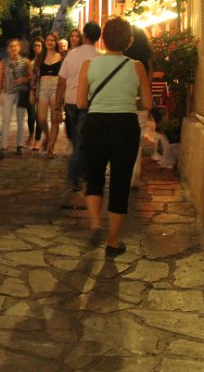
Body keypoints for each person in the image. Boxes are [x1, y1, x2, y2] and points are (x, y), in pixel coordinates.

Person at [77, 16, 152, 257]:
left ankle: (96, 223)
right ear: (128, 40)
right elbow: (147, 103)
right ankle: (112, 241)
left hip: (96, 123)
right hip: (125, 126)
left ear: (104, 38)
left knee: (94, 177)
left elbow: (80, 102)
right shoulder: (136, 66)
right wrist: (128, 98)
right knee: (120, 183)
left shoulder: (89, 65)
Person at [54, 22, 101, 190]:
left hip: (71, 102)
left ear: (84, 36)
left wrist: (57, 106)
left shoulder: (72, 55)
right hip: (89, 103)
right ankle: (77, 174)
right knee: (81, 141)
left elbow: (61, 82)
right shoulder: (99, 56)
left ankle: (77, 174)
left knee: (77, 140)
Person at [123, 26, 155, 188]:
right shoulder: (146, 59)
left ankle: (123, 173)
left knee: (123, 140)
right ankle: (134, 177)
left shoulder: (123, 59)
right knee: (137, 141)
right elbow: (148, 81)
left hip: (125, 101)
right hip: (140, 102)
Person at [0, 39, 32, 158]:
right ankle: (3, 146)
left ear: (19, 48)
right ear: (8, 49)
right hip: (8, 93)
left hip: (21, 93)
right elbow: (0, 80)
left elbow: (31, 77)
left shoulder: (25, 62)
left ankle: (19, 145)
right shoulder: (4, 62)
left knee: (20, 120)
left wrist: (24, 79)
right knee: (6, 120)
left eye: (15, 46)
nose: (13, 49)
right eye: (11, 47)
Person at [33, 32, 64, 158]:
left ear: (56, 42)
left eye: (52, 40)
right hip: (43, 87)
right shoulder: (41, 57)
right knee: (41, 118)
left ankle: (51, 147)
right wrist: (33, 92)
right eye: (48, 39)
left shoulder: (61, 57)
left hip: (55, 87)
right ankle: (47, 135)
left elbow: (64, 76)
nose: (50, 42)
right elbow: (36, 77)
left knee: (54, 119)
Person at [25, 37, 44, 151]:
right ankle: (31, 133)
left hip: (42, 89)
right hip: (31, 89)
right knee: (31, 115)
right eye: (35, 45)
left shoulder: (45, 59)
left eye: (39, 45)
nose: (37, 48)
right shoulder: (29, 59)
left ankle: (37, 140)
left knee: (40, 116)